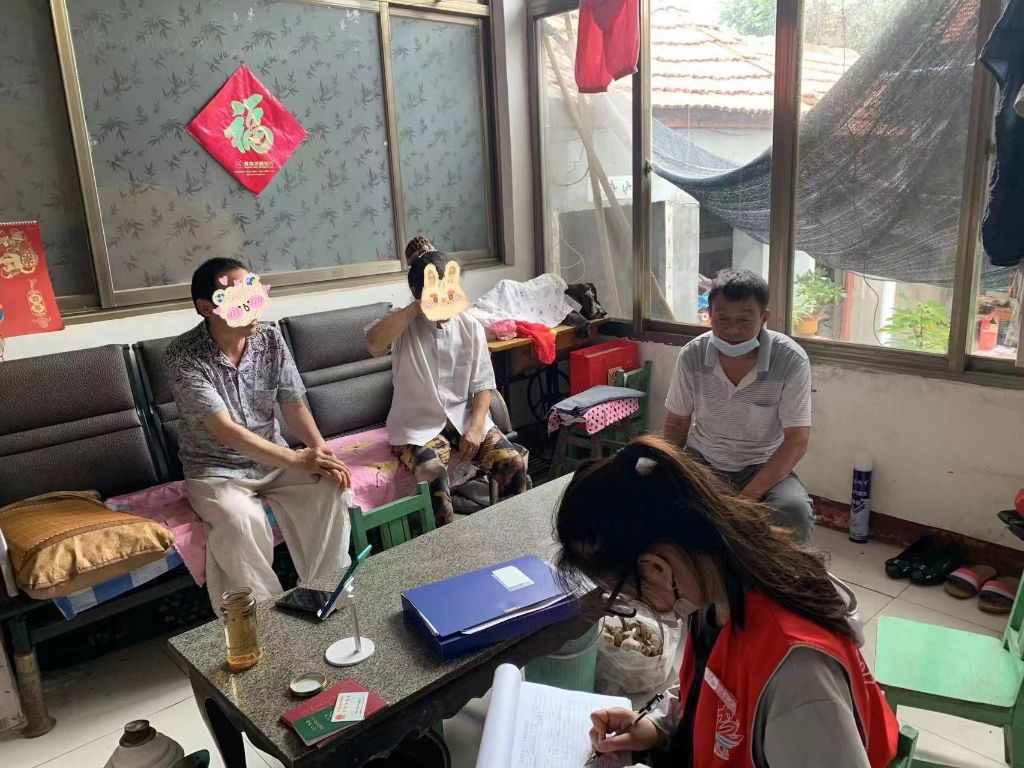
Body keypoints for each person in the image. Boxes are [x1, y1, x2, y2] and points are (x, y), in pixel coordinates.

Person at [555, 436, 899, 768]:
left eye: (629, 596)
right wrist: (660, 725)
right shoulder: (713, 586)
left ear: (657, 568)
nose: (643, 608)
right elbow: (719, 690)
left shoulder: (798, 676)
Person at [168, 257, 353, 610]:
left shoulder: (270, 338)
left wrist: (322, 454)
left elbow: (294, 405)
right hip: (217, 470)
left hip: (274, 459)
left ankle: (323, 593)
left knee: (329, 486)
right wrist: (298, 459)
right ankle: (267, 616)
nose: (252, 309)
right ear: (206, 308)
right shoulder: (183, 356)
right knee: (240, 520)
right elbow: (226, 431)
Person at [365, 235, 527, 527]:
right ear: (417, 293)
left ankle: (510, 536)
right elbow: (373, 343)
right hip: (415, 426)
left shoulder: (469, 325)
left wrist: (475, 428)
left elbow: (483, 385)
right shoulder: (402, 325)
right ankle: (449, 547)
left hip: (462, 419)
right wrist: (419, 304)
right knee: (433, 474)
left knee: (513, 463)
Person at [664, 269, 814, 542]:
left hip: (760, 464)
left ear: (764, 317)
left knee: (794, 512)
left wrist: (748, 498)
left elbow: (797, 440)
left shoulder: (790, 360)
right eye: (722, 319)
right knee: (659, 500)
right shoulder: (692, 355)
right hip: (703, 460)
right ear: (709, 315)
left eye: (744, 320)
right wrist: (664, 465)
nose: (732, 331)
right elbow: (677, 423)